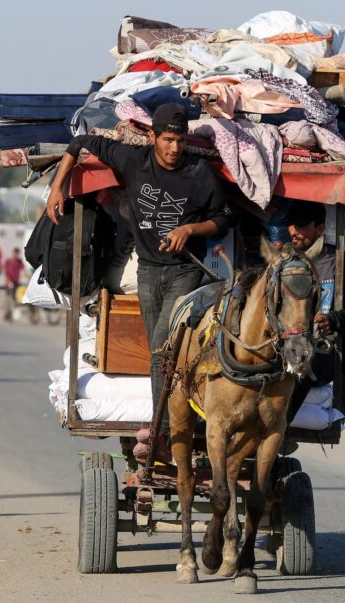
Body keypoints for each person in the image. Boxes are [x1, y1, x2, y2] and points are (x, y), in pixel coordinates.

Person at [46, 103, 232, 460]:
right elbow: (81, 143)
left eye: (180, 140)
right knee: (158, 353)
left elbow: (223, 219)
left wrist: (190, 229)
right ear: (153, 137)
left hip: (185, 272)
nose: (174, 148)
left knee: (162, 348)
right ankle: (175, 416)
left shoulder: (199, 173)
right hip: (147, 271)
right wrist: (58, 188)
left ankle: (162, 432)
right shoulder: (133, 160)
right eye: (167, 139)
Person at [282, 201, 345, 416]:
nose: (294, 231)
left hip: (320, 351)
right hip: (280, 344)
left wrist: (333, 320)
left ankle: (279, 432)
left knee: (301, 369)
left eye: (301, 226)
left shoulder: (338, 263)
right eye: (292, 225)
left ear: (320, 229)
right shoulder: (281, 261)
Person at [3, 248, 24, 319]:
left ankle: (13, 312)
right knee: (8, 298)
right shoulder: (8, 261)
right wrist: (8, 280)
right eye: (15, 253)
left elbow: (23, 271)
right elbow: (5, 272)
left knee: (16, 298)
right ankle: (7, 312)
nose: (16, 255)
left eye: (17, 254)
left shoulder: (19, 262)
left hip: (16, 283)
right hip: (9, 283)